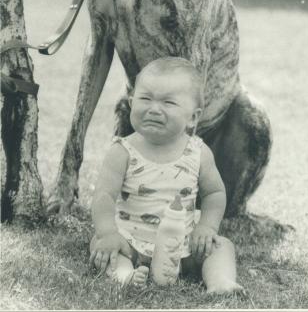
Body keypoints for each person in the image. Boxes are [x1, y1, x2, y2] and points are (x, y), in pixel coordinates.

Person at [90, 57, 243, 293]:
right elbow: (104, 196)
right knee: (104, 247)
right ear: (131, 102)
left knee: (222, 246)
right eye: (145, 98)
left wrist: (207, 228)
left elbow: (214, 193)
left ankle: (220, 282)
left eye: (168, 102)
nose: (153, 108)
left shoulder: (198, 152)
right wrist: (108, 233)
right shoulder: (122, 151)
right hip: (131, 242)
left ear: (192, 117)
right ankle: (125, 277)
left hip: (182, 245)